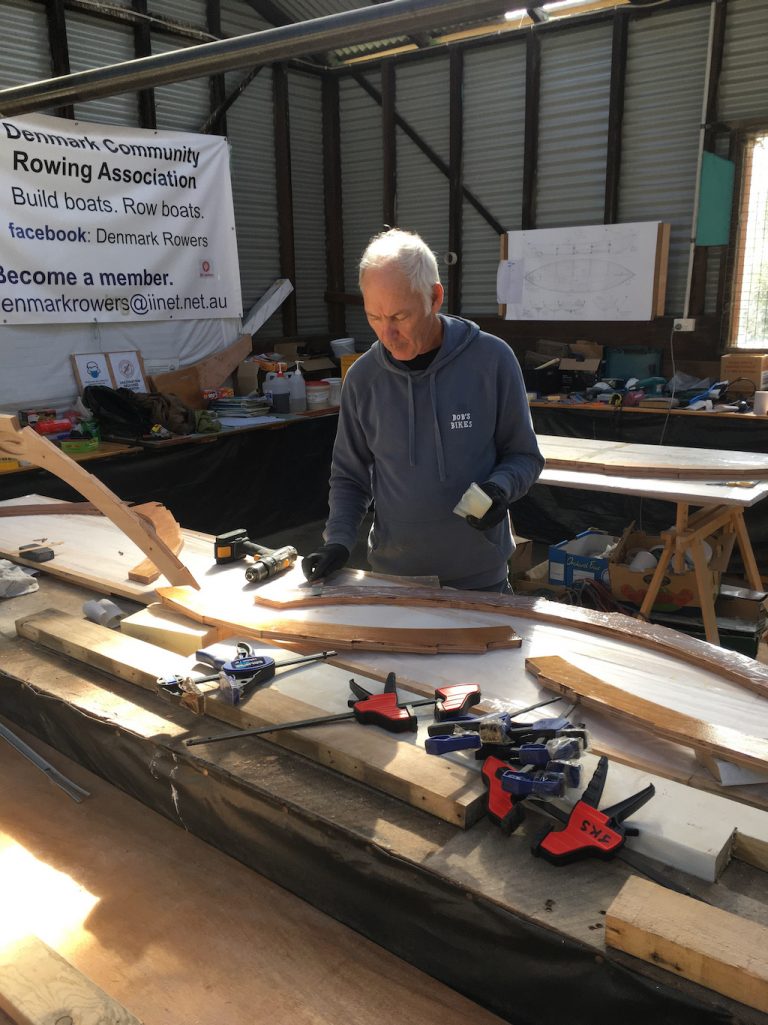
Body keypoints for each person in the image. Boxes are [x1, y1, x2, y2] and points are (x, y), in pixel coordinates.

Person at [302, 228, 544, 592]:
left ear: (434, 298)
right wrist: (338, 541)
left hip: (481, 579)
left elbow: (524, 455)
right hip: (393, 578)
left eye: (399, 317)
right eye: (374, 317)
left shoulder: (491, 361)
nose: (387, 334)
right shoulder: (363, 379)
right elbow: (351, 476)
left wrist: (500, 489)